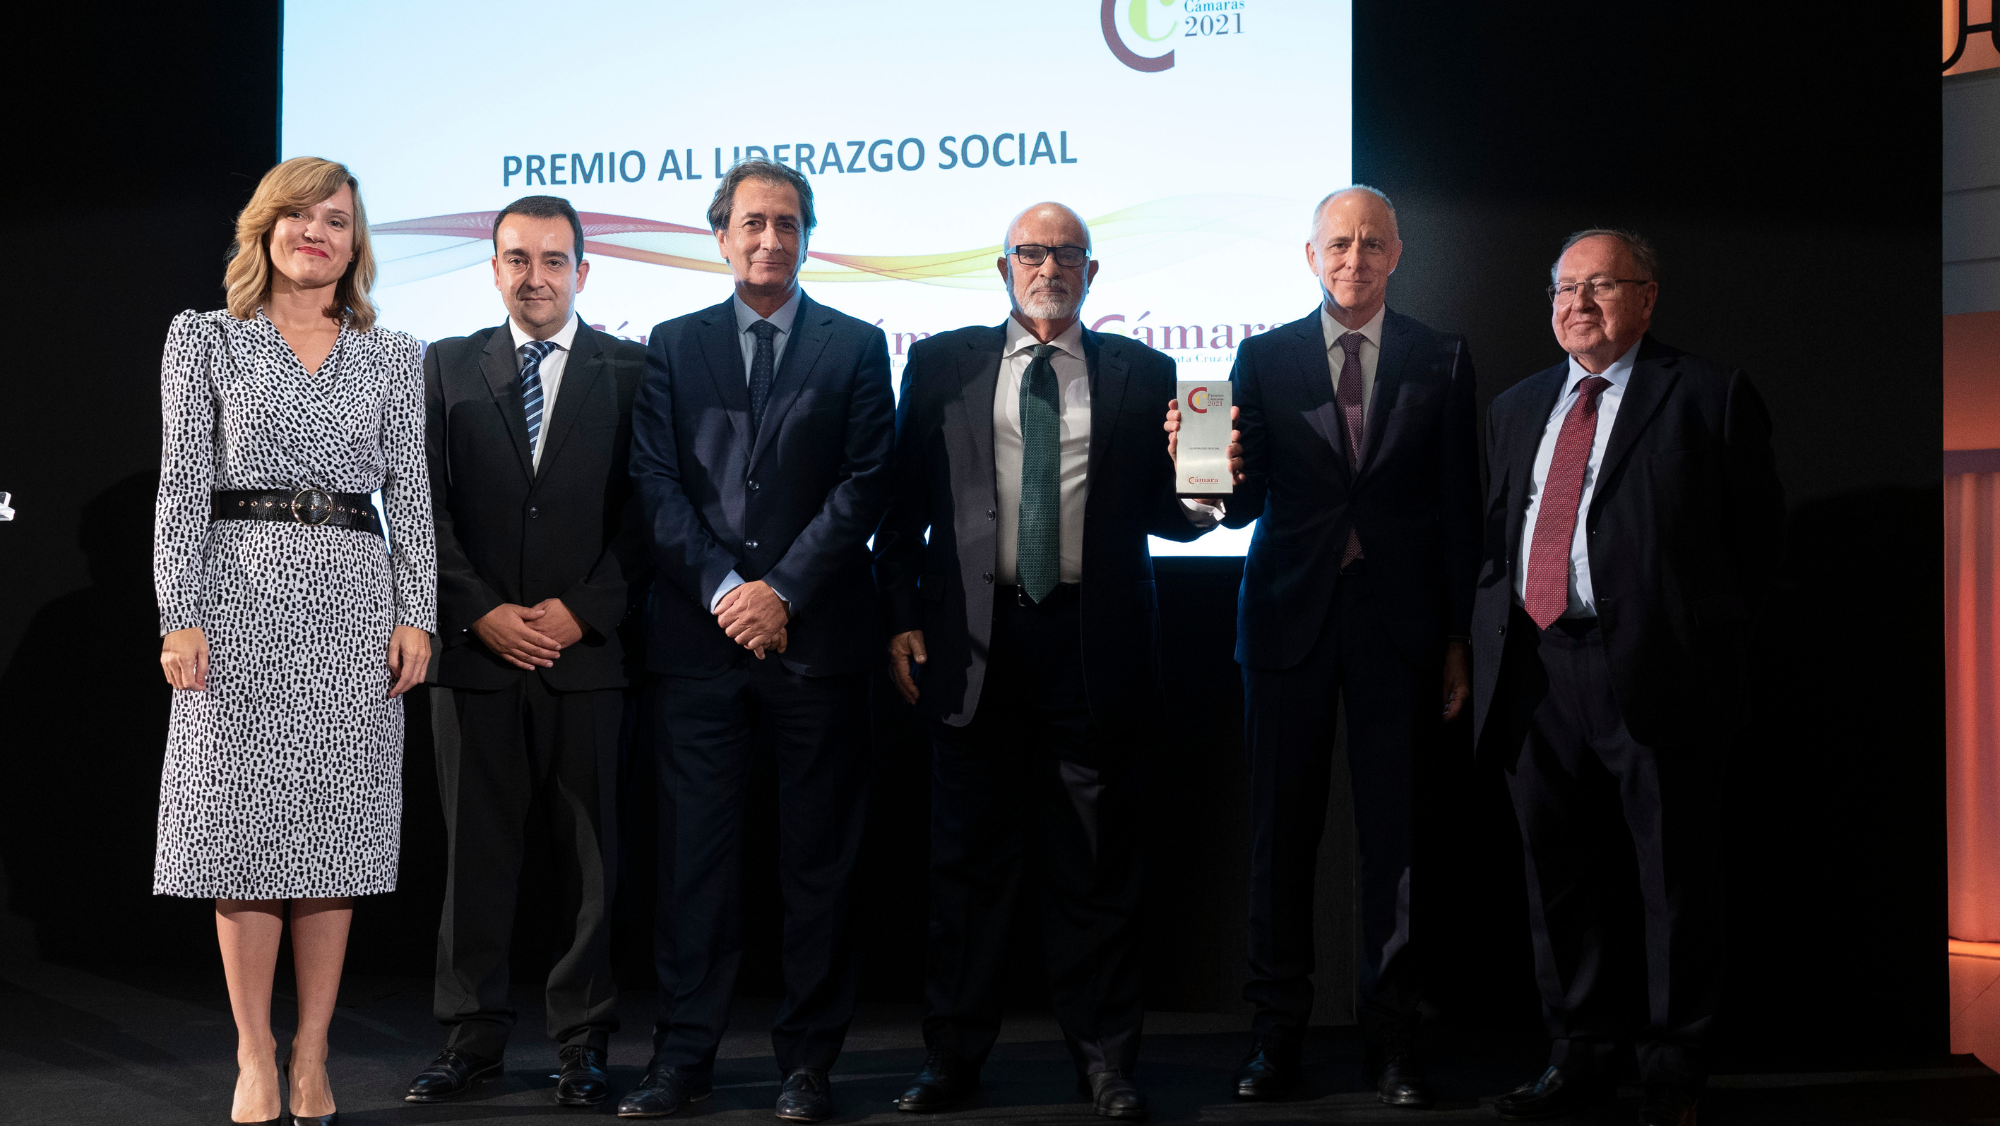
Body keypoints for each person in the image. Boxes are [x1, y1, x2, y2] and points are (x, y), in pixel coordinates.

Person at [875, 202, 1216, 1120]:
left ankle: (1105, 1062)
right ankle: (951, 1059)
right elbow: (903, 501)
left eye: (1069, 254)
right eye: (1033, 252)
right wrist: (902, 613)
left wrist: (1208, 488)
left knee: (1095, 863)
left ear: (1092, 274)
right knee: (964, 867)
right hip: (972, 645)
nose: (1050, 267)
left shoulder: (1147, 374)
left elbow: (1170, 515)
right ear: (1004, 268)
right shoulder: (941, 362)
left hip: (1089, 643)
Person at [1472, 230, 1781, 1126]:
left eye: (1599, 286)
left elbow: (1757, 544)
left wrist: (1701, 642)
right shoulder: (1518, 405)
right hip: (1535, 668)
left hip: (1654, 669)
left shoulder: (1709, 394)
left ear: (1647, 296)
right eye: (1564, 289)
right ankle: (1580, 1056)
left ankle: (1675, 1069)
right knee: (1557, 882)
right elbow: (1500, 535)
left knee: (1674, 880)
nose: (1577, 305)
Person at [152, 156, 435, 1126]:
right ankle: (253, 1055)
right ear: (265, 227)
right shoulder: (206, 341)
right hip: (236, 600)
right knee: (240, 836)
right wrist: (175, 613)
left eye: (339, 220)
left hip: (353, 604)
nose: (319, 231)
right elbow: (180, 488)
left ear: (356, 245)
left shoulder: (392, 353)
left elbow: (414, 499)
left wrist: (417, 611)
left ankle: (313, 1051)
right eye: (303, 215)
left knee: (331, 836)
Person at [623, 159, 895, 1123]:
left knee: (818, 865)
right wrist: (725, 590)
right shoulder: (673, 343)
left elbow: (867, 483)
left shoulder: (857, 345)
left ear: (807, 235)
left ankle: (808, 1063)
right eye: (752, 224)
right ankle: (682, 1058)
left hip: (816, 643)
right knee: (694, 866)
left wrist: (779, 589)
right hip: (699, 649)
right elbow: (655, 485)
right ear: (721, 235)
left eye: (787, 224)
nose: (769, 240)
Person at [1214, 186, 1479, 1108]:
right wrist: (1203, 473)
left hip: (1400, 626)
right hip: (1287, 622)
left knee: (1396, 844)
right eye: (1338, 243)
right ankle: (1275, 1039)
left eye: (1372, 243)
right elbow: (1237, 504)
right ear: (1311, 255)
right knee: (1278, 843)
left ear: (1397, 254)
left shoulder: (1440, 356)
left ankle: (1395, 1041)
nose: (1354, 257)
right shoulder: (1262, 356)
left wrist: (1455, 638)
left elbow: (1457, 508)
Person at [403, 195, 648, 1109]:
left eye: (554, 261)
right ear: (494, 267)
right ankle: (471, 1040)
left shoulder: (634, 370)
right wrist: (481, 613)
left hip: (586, 655)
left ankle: (583, 1043)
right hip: (476, 657)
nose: (535, 277)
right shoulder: (444, 365)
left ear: (584, 272)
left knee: (591, 863)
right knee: (475, 857)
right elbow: (421, 508)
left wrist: (583, 613)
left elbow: (648, 518)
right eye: (517, 259)